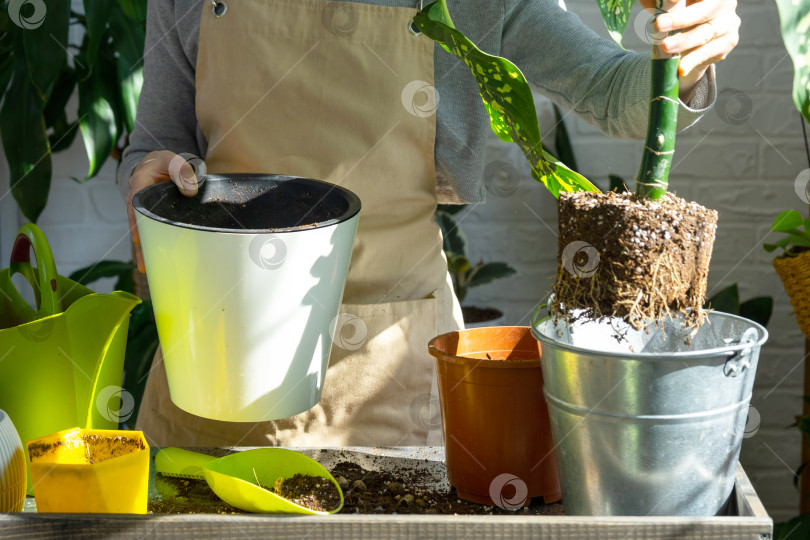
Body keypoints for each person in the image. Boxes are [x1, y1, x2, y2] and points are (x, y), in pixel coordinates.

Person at [120, 0, 740, 448]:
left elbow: (612, 89)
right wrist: (150, 174)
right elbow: (156, 140)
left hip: (390, 371)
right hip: (218, 355)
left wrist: (690, 47)